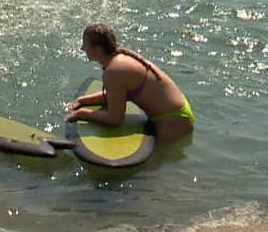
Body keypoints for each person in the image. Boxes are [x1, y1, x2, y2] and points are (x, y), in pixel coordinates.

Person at [65, 23, 194, 142]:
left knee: (155, 167)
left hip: (172, 122)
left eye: (85, 45)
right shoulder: (119, 60)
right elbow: (113, 96)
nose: (82, 49)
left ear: (97, 49)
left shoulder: (113, 72)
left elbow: (115, 119)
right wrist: (82, 101)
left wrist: (83, 114)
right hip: (177, 114)